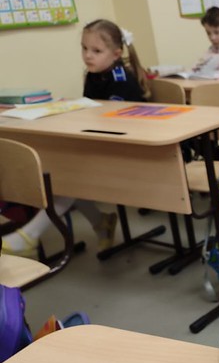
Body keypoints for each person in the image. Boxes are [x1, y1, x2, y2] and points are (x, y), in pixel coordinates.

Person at [1, 19, 148, 258]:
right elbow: (92, 110)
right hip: (102, 145)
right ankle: (100, 223)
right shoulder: (93, 75)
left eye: (96, 51)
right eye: (84, 48)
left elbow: (114, 121)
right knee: (64, 175)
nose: (88, 55)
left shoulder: (122, 79)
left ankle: (29, 236)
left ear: (116, 54)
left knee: (71, 175)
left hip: (131, 152)